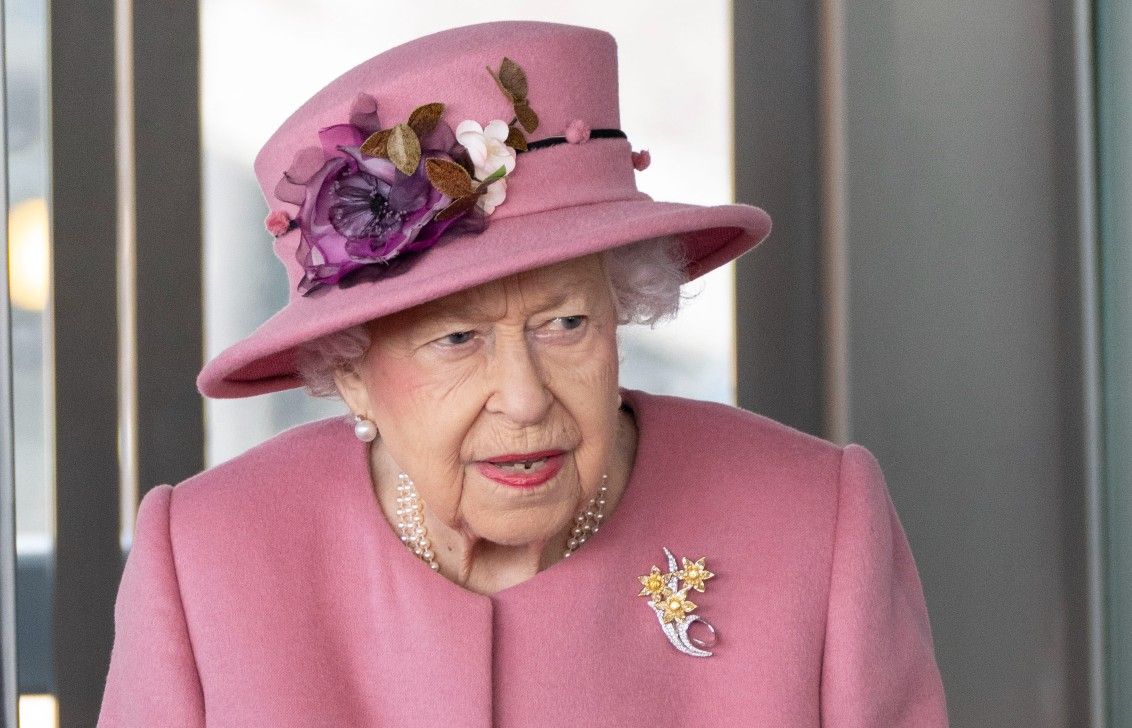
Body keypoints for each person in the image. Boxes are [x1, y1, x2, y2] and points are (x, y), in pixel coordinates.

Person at [97, 20, 949, 727]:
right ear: (348, 369)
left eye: (566, 323)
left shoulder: (813, 520)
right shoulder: (209, 561)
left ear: (625, 311)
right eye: (457, 339)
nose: (525, 397)